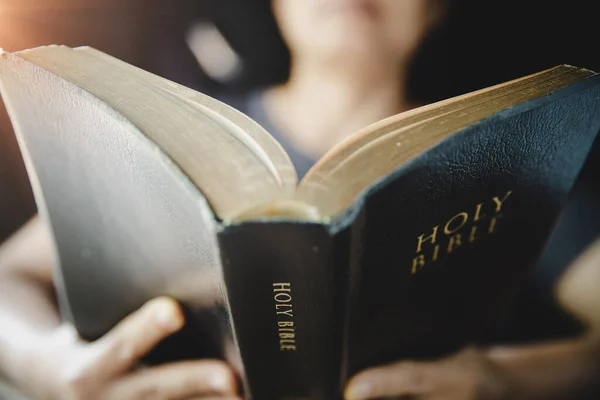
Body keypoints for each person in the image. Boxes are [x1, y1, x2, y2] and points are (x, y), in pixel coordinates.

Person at [1, 1, 599, 399]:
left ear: (437, 8)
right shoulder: (174, 131)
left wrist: (505, 381)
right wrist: (49, 366)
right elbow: (7, 278)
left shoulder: (506, 153)